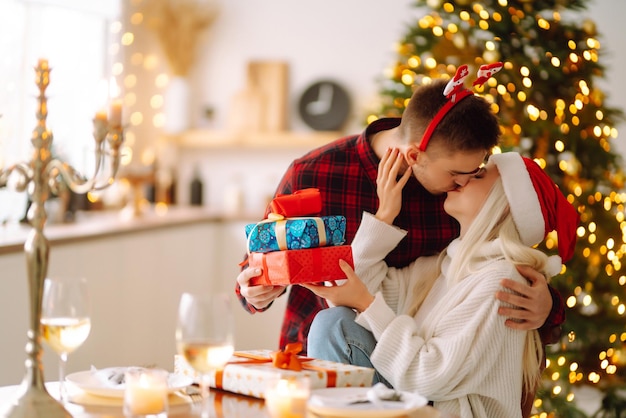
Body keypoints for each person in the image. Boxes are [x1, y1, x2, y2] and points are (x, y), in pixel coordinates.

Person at [236, 74, 564, 354]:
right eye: (455, 173)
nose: (464, 182)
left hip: (413, 376)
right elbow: (257, 266)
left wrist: (548, 307)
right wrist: (255, 289)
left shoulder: (462, 201)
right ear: (415, 156)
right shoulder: (314, 173)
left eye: (473, 171)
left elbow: (502, 260)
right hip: (314, 359)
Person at [303, 150, 579, 418]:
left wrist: (366, 304)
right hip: (423, 401)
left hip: (440, 407)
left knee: (334, 326)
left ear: (505, 203)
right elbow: (353, 283)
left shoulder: (502, 281)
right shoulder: (448, 265)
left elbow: (429, 376)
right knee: (334, 323)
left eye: (479, 176)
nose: (463, 179)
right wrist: (385, 213)